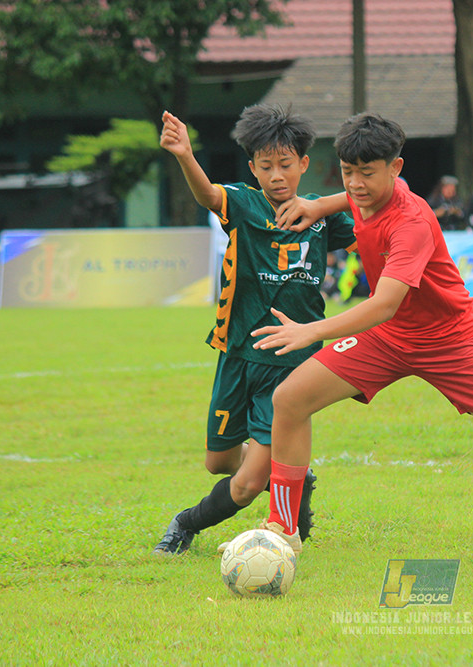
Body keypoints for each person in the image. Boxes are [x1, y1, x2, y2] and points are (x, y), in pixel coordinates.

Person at [250, 112, 473, 565]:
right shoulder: (364, 192)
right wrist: (321, 205)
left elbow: (383, 303)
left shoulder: (412, 222)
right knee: (289, 399)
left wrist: (312, 331)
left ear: (396, 169)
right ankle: (282, 532)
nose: (357, 184)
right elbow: (355, 203)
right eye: (349, 173)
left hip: (451, 341)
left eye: (368, 173)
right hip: (390, 338)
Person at [153, 105, 356, 554]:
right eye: (266, 166)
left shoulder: (322, 217)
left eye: (286, 165)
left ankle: (185, 525)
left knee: (245, 485)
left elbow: (375, 205)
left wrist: (325, 203)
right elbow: (208, 195)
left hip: (290, 363)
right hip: (237, 352)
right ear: (253, 169)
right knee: (219, 463)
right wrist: (186, 154)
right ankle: (291, 470)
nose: (277, 175)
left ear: (304, 164)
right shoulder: (244, 204)